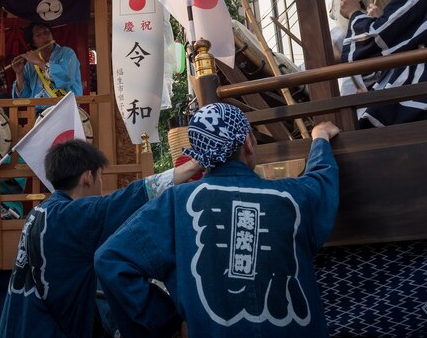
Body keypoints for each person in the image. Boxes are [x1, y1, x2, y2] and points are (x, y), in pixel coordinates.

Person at [95, 104, 340, 338]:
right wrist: (320, 137)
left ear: (200, 153)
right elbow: (322, 181)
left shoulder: (174, 204)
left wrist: (166, 322)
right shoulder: (290, 196)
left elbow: (111, 258)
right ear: (248, 142)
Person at [0, 138, 202, 338]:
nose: (101, 184)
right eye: (100, 176)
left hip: (19, 324)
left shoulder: (40, 211)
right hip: (45, 329)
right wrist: (192, 166)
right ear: (88, 176)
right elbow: (128, 198)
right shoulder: (71, 216)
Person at [11, 21, 82, 100]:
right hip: (39, 111)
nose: (44, 36)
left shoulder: (67, 53)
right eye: (39, 35)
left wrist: (39, 62)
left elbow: (66, 78)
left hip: (67, 108)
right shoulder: (30, 64)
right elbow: (23, 96)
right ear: (33, 43)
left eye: (46, 32)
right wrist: (19, 73)